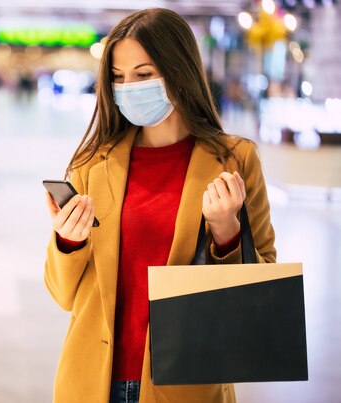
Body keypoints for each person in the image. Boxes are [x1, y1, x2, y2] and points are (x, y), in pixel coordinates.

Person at [43, 8, 276, 403]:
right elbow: (63, 294)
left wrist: (226, 233)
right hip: (91, 383)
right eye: (118, 77)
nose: (127, 87)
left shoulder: (235, 160)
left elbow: (259, 289)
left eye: (143, 74)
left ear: (178, 70)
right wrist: (68, 242)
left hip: (187, 384)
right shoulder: (90, 165)